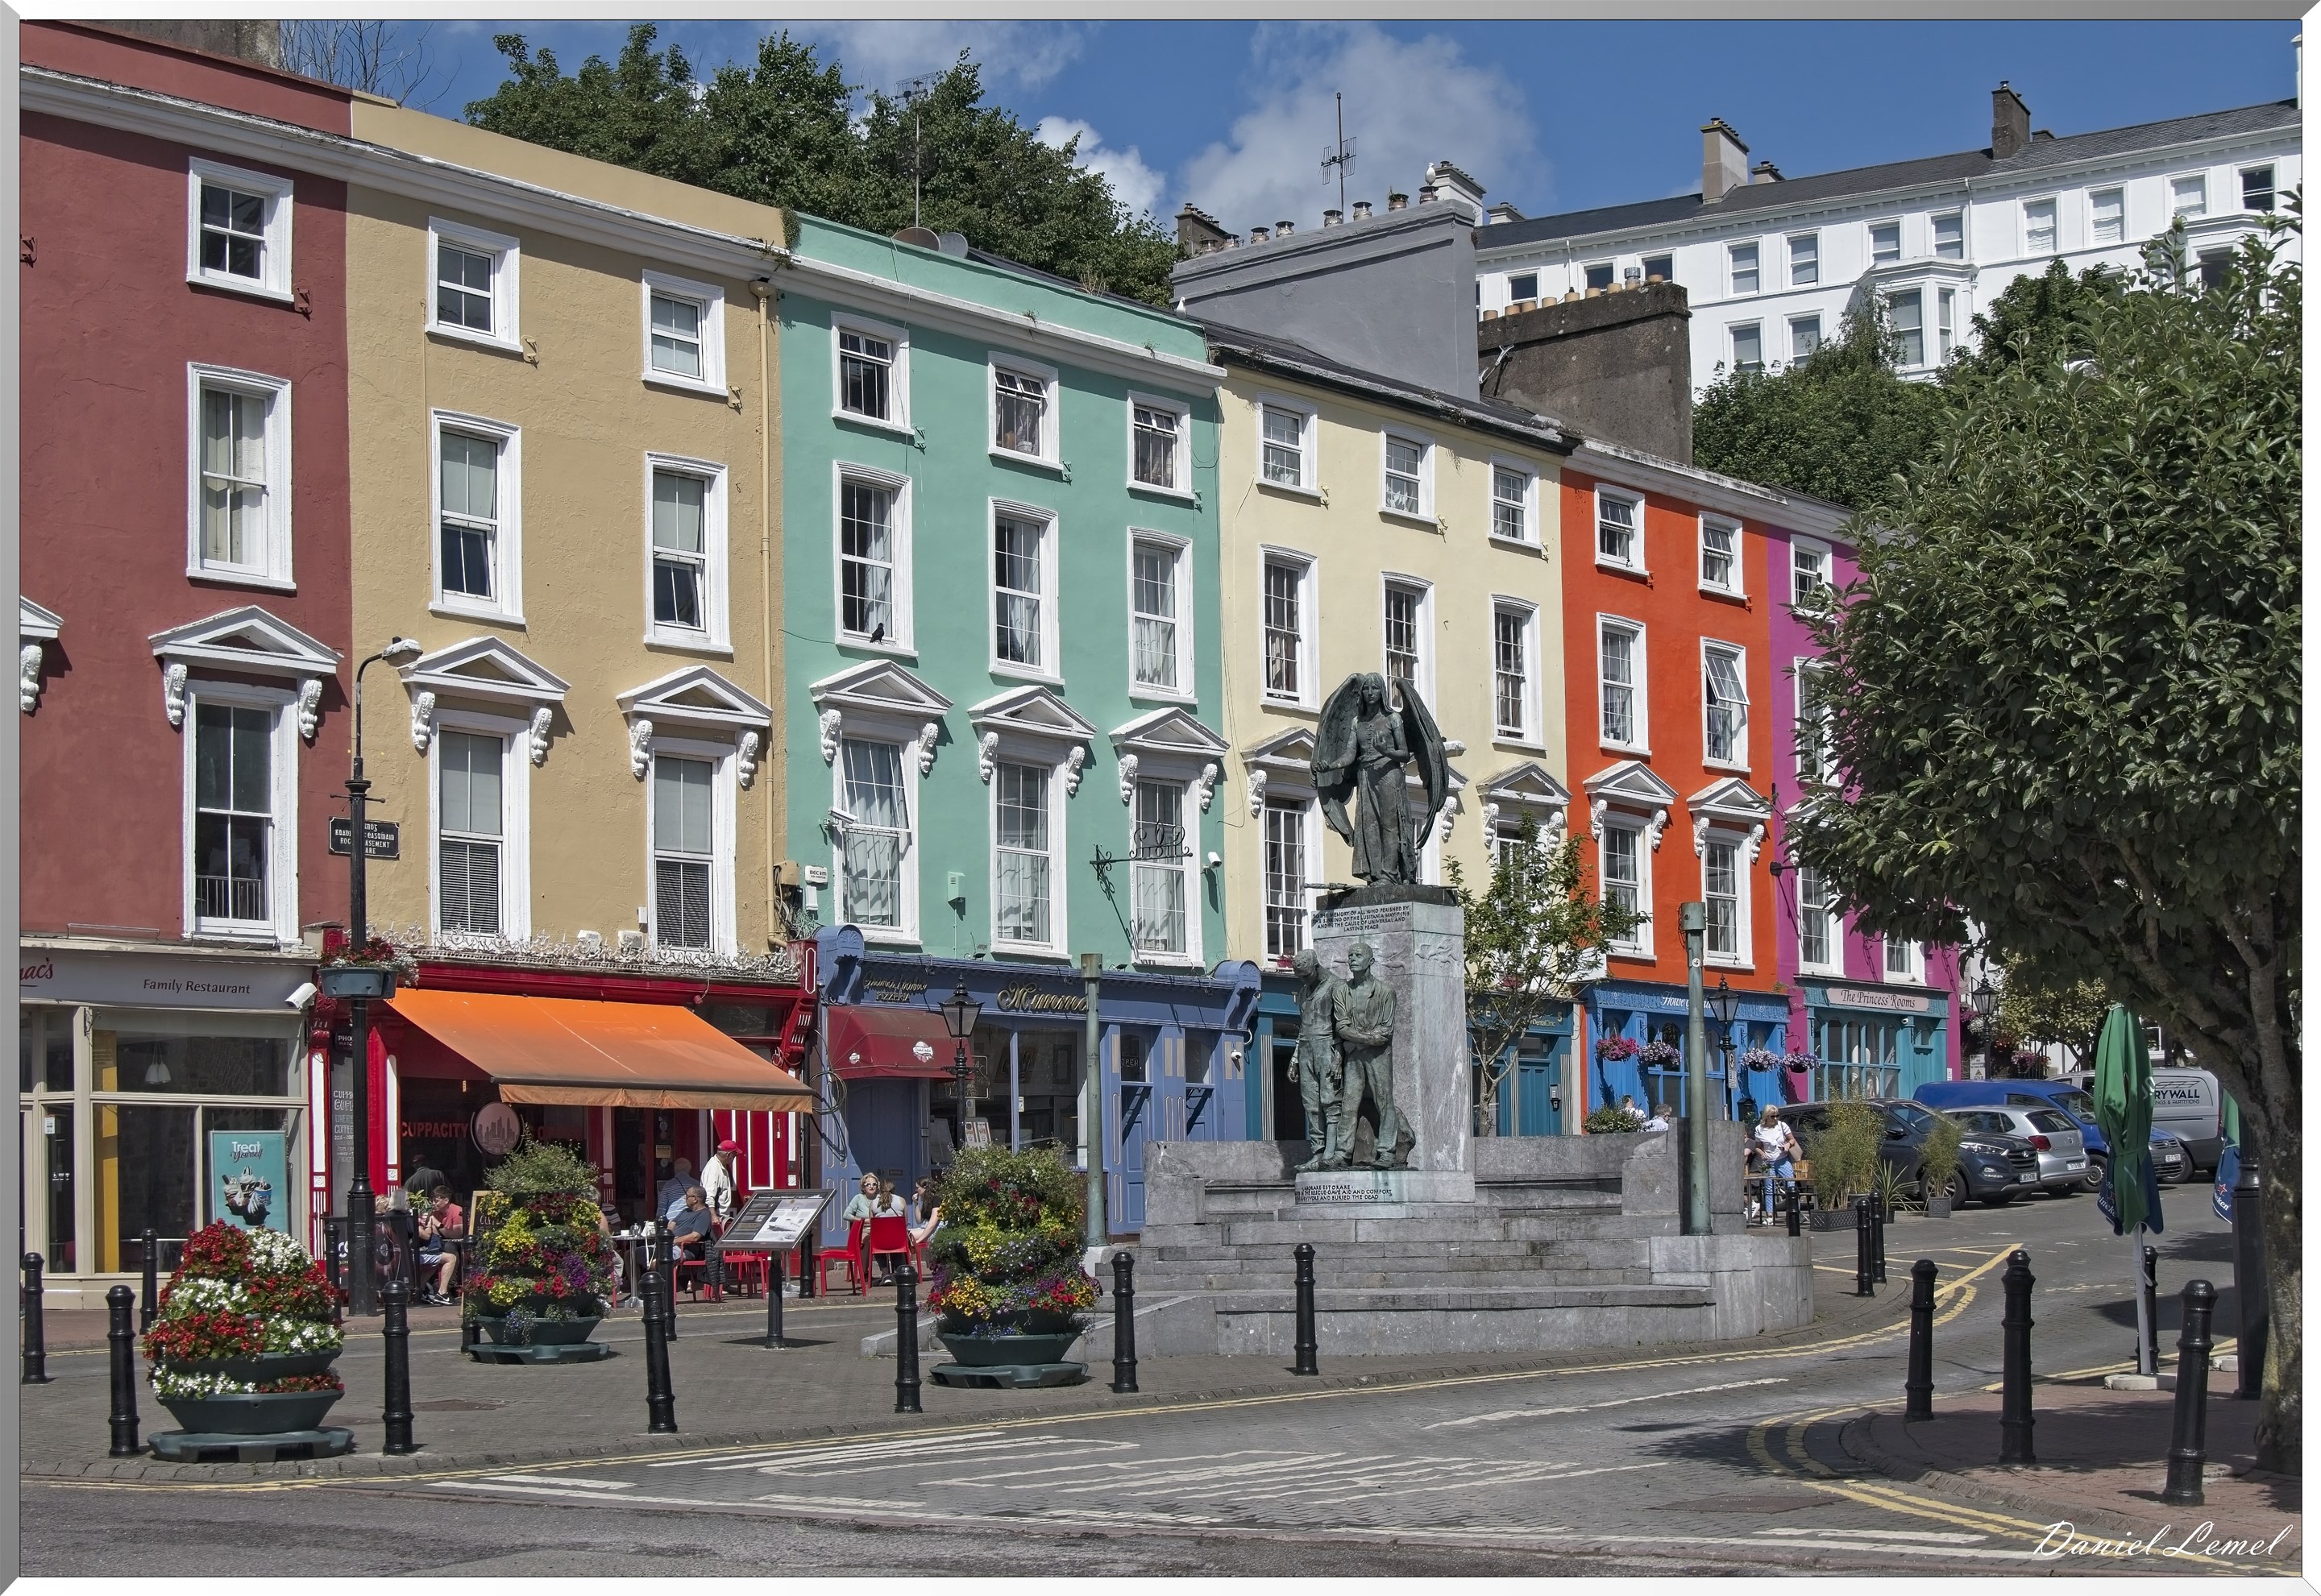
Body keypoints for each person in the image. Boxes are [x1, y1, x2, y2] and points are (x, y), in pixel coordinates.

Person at [1752, 1107, 1803, 1225]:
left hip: (1782, 1159)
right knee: (1769, 1188)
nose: (1775, 1118)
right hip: (1767, 1162)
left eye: (1777, 1116)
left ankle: (1795, 1213)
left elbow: (1792, 1140)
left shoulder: (1782, 1126)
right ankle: (1770, 1216)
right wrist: (1762, 1153)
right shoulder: (1759, 1129)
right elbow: (1757, 1147)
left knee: (1790, 1185)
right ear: (1766, 1117)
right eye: (1773, 1116)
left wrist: (1787, 1145)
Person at [415, 1185, 463, 1304]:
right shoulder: (434, 1213)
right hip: (437, 1245)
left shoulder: (456, 1211)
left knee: (449, 1248)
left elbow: (457, 1235)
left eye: (436, 1200)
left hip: (455, 1244)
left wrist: (439, 1225)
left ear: (446, 1200)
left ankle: (449, 1288)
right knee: (435, 1254)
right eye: (433, 1200)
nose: (433, 1203)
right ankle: (427, 1291)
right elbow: (430, 1232)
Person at [702, 1138, 741, 1223]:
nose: (734, 1158)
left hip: (721, 1216)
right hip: (716, 1217)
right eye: (734, 1155)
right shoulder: (713, 1168)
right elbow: (709, 1195)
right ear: (728, 1155)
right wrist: (713, 1216)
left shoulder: (720, 1166)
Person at [656, 1157, 695, 1222]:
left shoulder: (668, 1185)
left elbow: (661, 1209)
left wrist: (659, 1222)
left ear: (675, 1170)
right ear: (689, 1169)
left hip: (672, 1221)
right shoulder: (696, 1184)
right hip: (691, 1221)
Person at [908, 1178, 944, 1248]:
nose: (916, 1190)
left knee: (906, 1236)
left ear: (925, 1188)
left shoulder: (937, 1199)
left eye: (918, 1188)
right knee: (904, 1234)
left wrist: (919, 1240)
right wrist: (916, 1203)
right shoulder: (926, 1200)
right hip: (924, 1227)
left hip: (935, 1229)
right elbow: (919, 1220)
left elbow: (932, 1223)